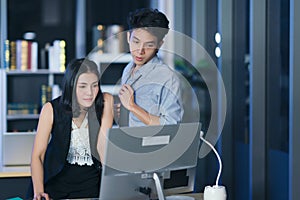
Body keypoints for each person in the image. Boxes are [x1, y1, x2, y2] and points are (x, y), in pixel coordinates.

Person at [27, 58, 114, 200]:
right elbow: (38, 155)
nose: (90, 93)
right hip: (56, 186)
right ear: (71, 86)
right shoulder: (51, 109)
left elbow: (102, 149)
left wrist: (114, 185)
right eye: (83, 86)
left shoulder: (104, 103)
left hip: (91, 187)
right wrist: (39, 191)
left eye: (94, 85)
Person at [118, 8, 184, 127]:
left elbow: (171, 126)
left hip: (152, 145)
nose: (140, 51)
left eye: (149, 45)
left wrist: (133, 107)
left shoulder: (168, 78)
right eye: (136, 42)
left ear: (159, 45)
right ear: (128, 37)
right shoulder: (128, 69)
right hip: (127, 142)